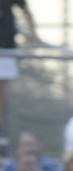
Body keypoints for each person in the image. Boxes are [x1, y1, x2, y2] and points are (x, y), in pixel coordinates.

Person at [0, 0, 43, 138]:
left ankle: (0, 125)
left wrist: (33, 34)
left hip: (5, 47)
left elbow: (25, 10)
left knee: (2, 88)